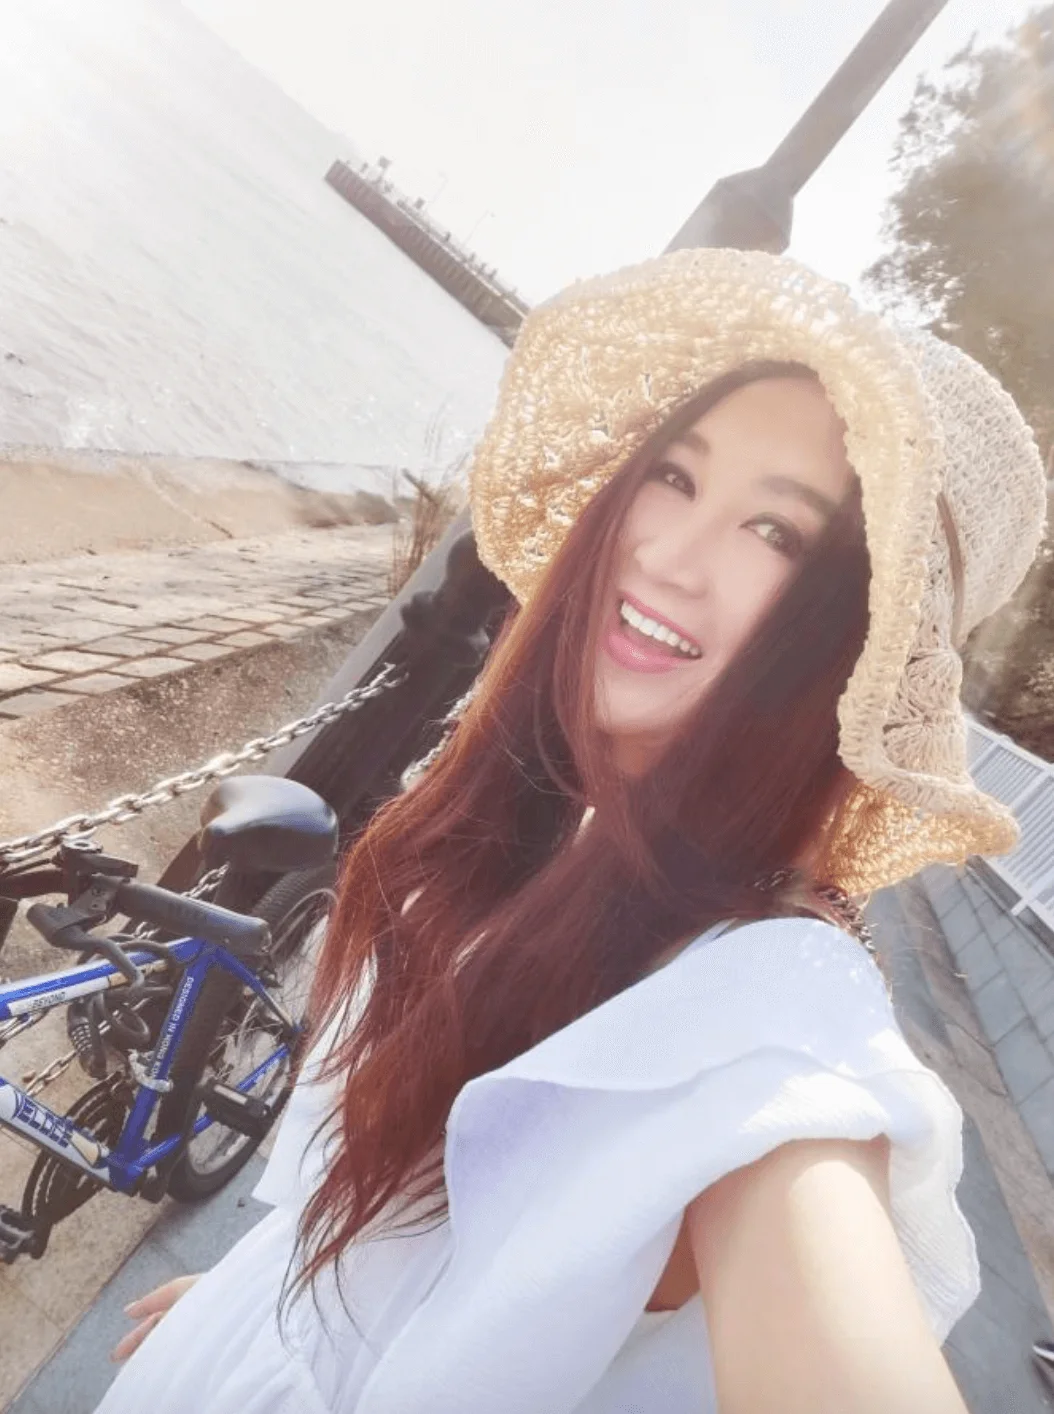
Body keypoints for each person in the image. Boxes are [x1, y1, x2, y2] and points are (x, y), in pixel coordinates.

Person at [98, 248, 1047, 1414]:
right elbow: (423, 1234)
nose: (665, 552)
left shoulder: (778, 1031)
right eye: (675, 476)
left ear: (860, 642)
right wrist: (265, 1308)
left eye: (775, 533)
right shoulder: (581, 827)